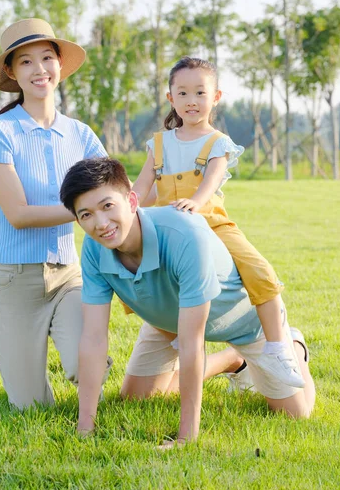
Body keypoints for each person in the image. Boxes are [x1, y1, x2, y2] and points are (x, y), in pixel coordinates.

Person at [59, 158, 316, 447]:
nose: (101, 224)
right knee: (136, 397)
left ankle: (292, 345)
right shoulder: (95, 249)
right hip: (168, 320)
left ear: (132, 200)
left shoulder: (184, 234)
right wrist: (85, 426)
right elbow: (93, 338)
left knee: (296, 413)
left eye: (108, 206)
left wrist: (186, 437)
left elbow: (193, 343)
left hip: (245, 322)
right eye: (86, 215)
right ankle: (233, 362)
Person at [131, 56, 304, 388]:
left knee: (259, 269)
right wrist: (125, 208)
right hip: (168, 227)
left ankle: (279, 347)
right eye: (182, 94)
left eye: (200, 92)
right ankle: (177, 332)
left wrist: (195, 203)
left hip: (211, 222)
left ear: (216, 97)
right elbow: (142, 190)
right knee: (142, 277)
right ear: (170, 98)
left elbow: (210, 183)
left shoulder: (218, 144)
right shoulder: (159, 144)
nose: (191, 101)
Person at [0, 18, 111, 410]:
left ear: (59, 64)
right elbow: (18, 214)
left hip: (68, 275)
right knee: (31, 406)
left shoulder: (81, 134)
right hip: (10, 281)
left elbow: (115, 196)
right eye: (26, 62)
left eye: (47, 58)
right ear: (11, 71)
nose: (40, 70)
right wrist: (86, 212)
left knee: (88, 365)